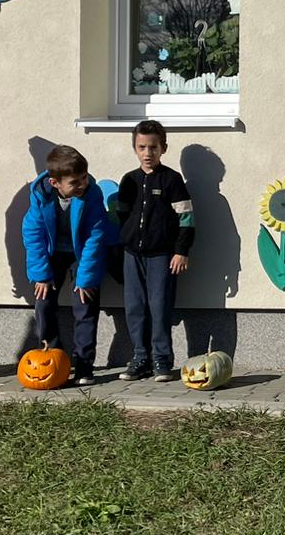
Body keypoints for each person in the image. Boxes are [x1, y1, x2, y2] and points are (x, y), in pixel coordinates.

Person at [23, 144, 113, 385]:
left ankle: (84, 365)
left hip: (82, 254)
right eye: (75, 182)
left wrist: (85, 279)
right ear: (55, 183)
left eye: (84, 177)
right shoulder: (41, 196)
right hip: (53, 254)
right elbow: (33, 234)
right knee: (44, 302)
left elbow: (95, 237)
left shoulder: (92, 195)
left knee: (85, 303)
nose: (82, 184)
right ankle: (53, 357)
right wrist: (42, 275)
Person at [114, 120, 194, 382]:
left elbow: (186, 219)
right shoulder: (129, 180)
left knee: (159, 308)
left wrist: (181, 251)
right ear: (135, 149)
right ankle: (140, 358)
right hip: (132, 255)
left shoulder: (172, 180)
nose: (147, 153)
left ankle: (162, 359)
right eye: (142, 147)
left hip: (162, 256)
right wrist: (125, 243)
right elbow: (122, 216)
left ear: (163, 148)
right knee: (134, 307)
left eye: (153, 147)